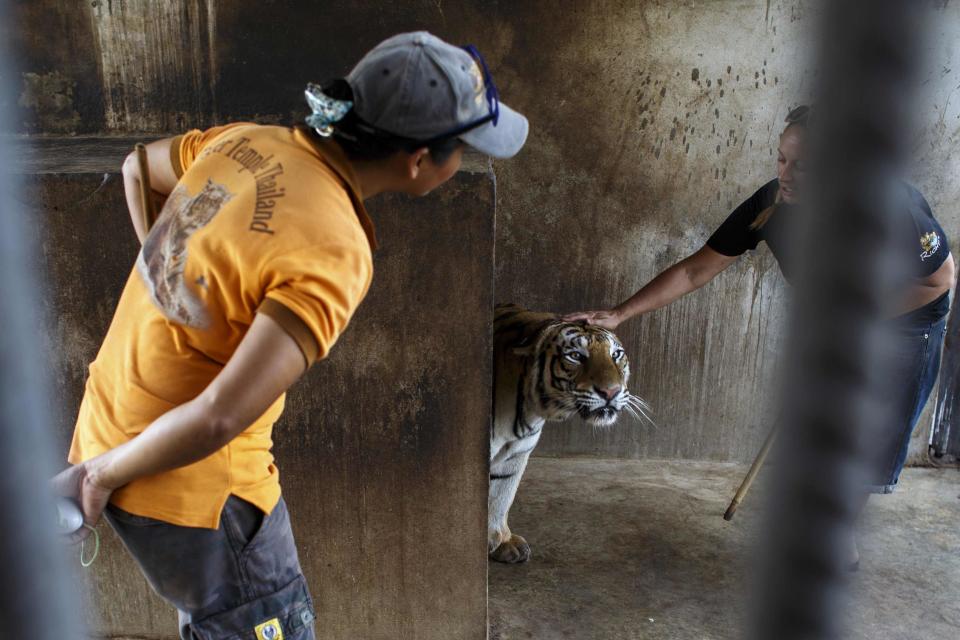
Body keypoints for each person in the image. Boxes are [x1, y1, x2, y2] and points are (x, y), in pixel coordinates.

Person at [51, 31, 528, 640]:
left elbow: (135, 167)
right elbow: (219, 417)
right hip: (195, 489)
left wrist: (167, 273)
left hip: (112, 429)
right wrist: (96, 478)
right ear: (418, 161)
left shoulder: (246, 141)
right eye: (462, 148)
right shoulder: (333, 245)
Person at [565, 105, 954, 568]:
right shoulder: (773, 205)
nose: (785, 175)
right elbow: (696, 269)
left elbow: (939, 279)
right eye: (781, 159)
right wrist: (620, 312)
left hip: (907, 319)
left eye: (802, 165)